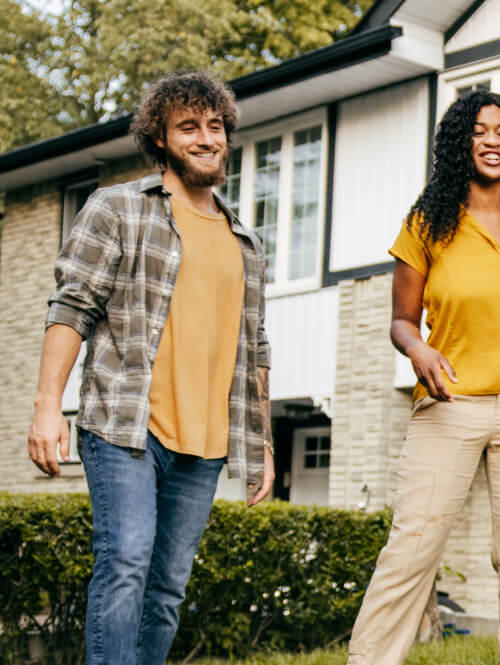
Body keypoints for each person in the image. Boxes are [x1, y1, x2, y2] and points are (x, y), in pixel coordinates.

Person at [26, 71, 274, 665]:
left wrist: (261, 441)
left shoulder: (246, 241)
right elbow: (72, 305)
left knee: (166, 590)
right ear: (160, 138)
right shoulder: (119, 208)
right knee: (127, 563)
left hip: (207, 441)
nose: (206, 138)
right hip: (125, 426)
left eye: (215, 127)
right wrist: (46, 409)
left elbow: (256, 348)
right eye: (188, 127)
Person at [346, 90, 500, 665]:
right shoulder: (428, 223)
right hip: (450, 399)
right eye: (480, 131)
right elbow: (402, 322)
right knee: (413, 546)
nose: (492, 141)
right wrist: (418, 351)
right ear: (462, 143)